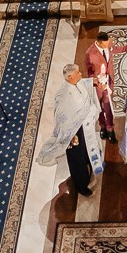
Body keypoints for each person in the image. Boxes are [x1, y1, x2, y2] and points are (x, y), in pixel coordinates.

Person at [36, 63, 102, 199]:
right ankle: (81, 186)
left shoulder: (75, 83)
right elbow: (61, 119)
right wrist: (70, 136)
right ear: (70, 77)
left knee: (85, 150)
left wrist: (92, 82)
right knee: (76, 160)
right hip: (73, 134)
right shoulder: (64, 96)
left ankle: (89, 168)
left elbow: (82, 83)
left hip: (83, 127)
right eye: (78, 73)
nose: (81, 74)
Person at [83, 29, 118, 141]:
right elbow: (89, 72)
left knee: (108, 107)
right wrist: (96, 83)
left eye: (108, 44)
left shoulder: (108, 43)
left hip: (108, 82)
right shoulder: (90, 53)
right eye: (104, 45)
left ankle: (110, 129)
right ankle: (102, 126)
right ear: (98, 43)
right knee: (99, 107)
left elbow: (114, 49)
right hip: (98, 84)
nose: (107, 46)